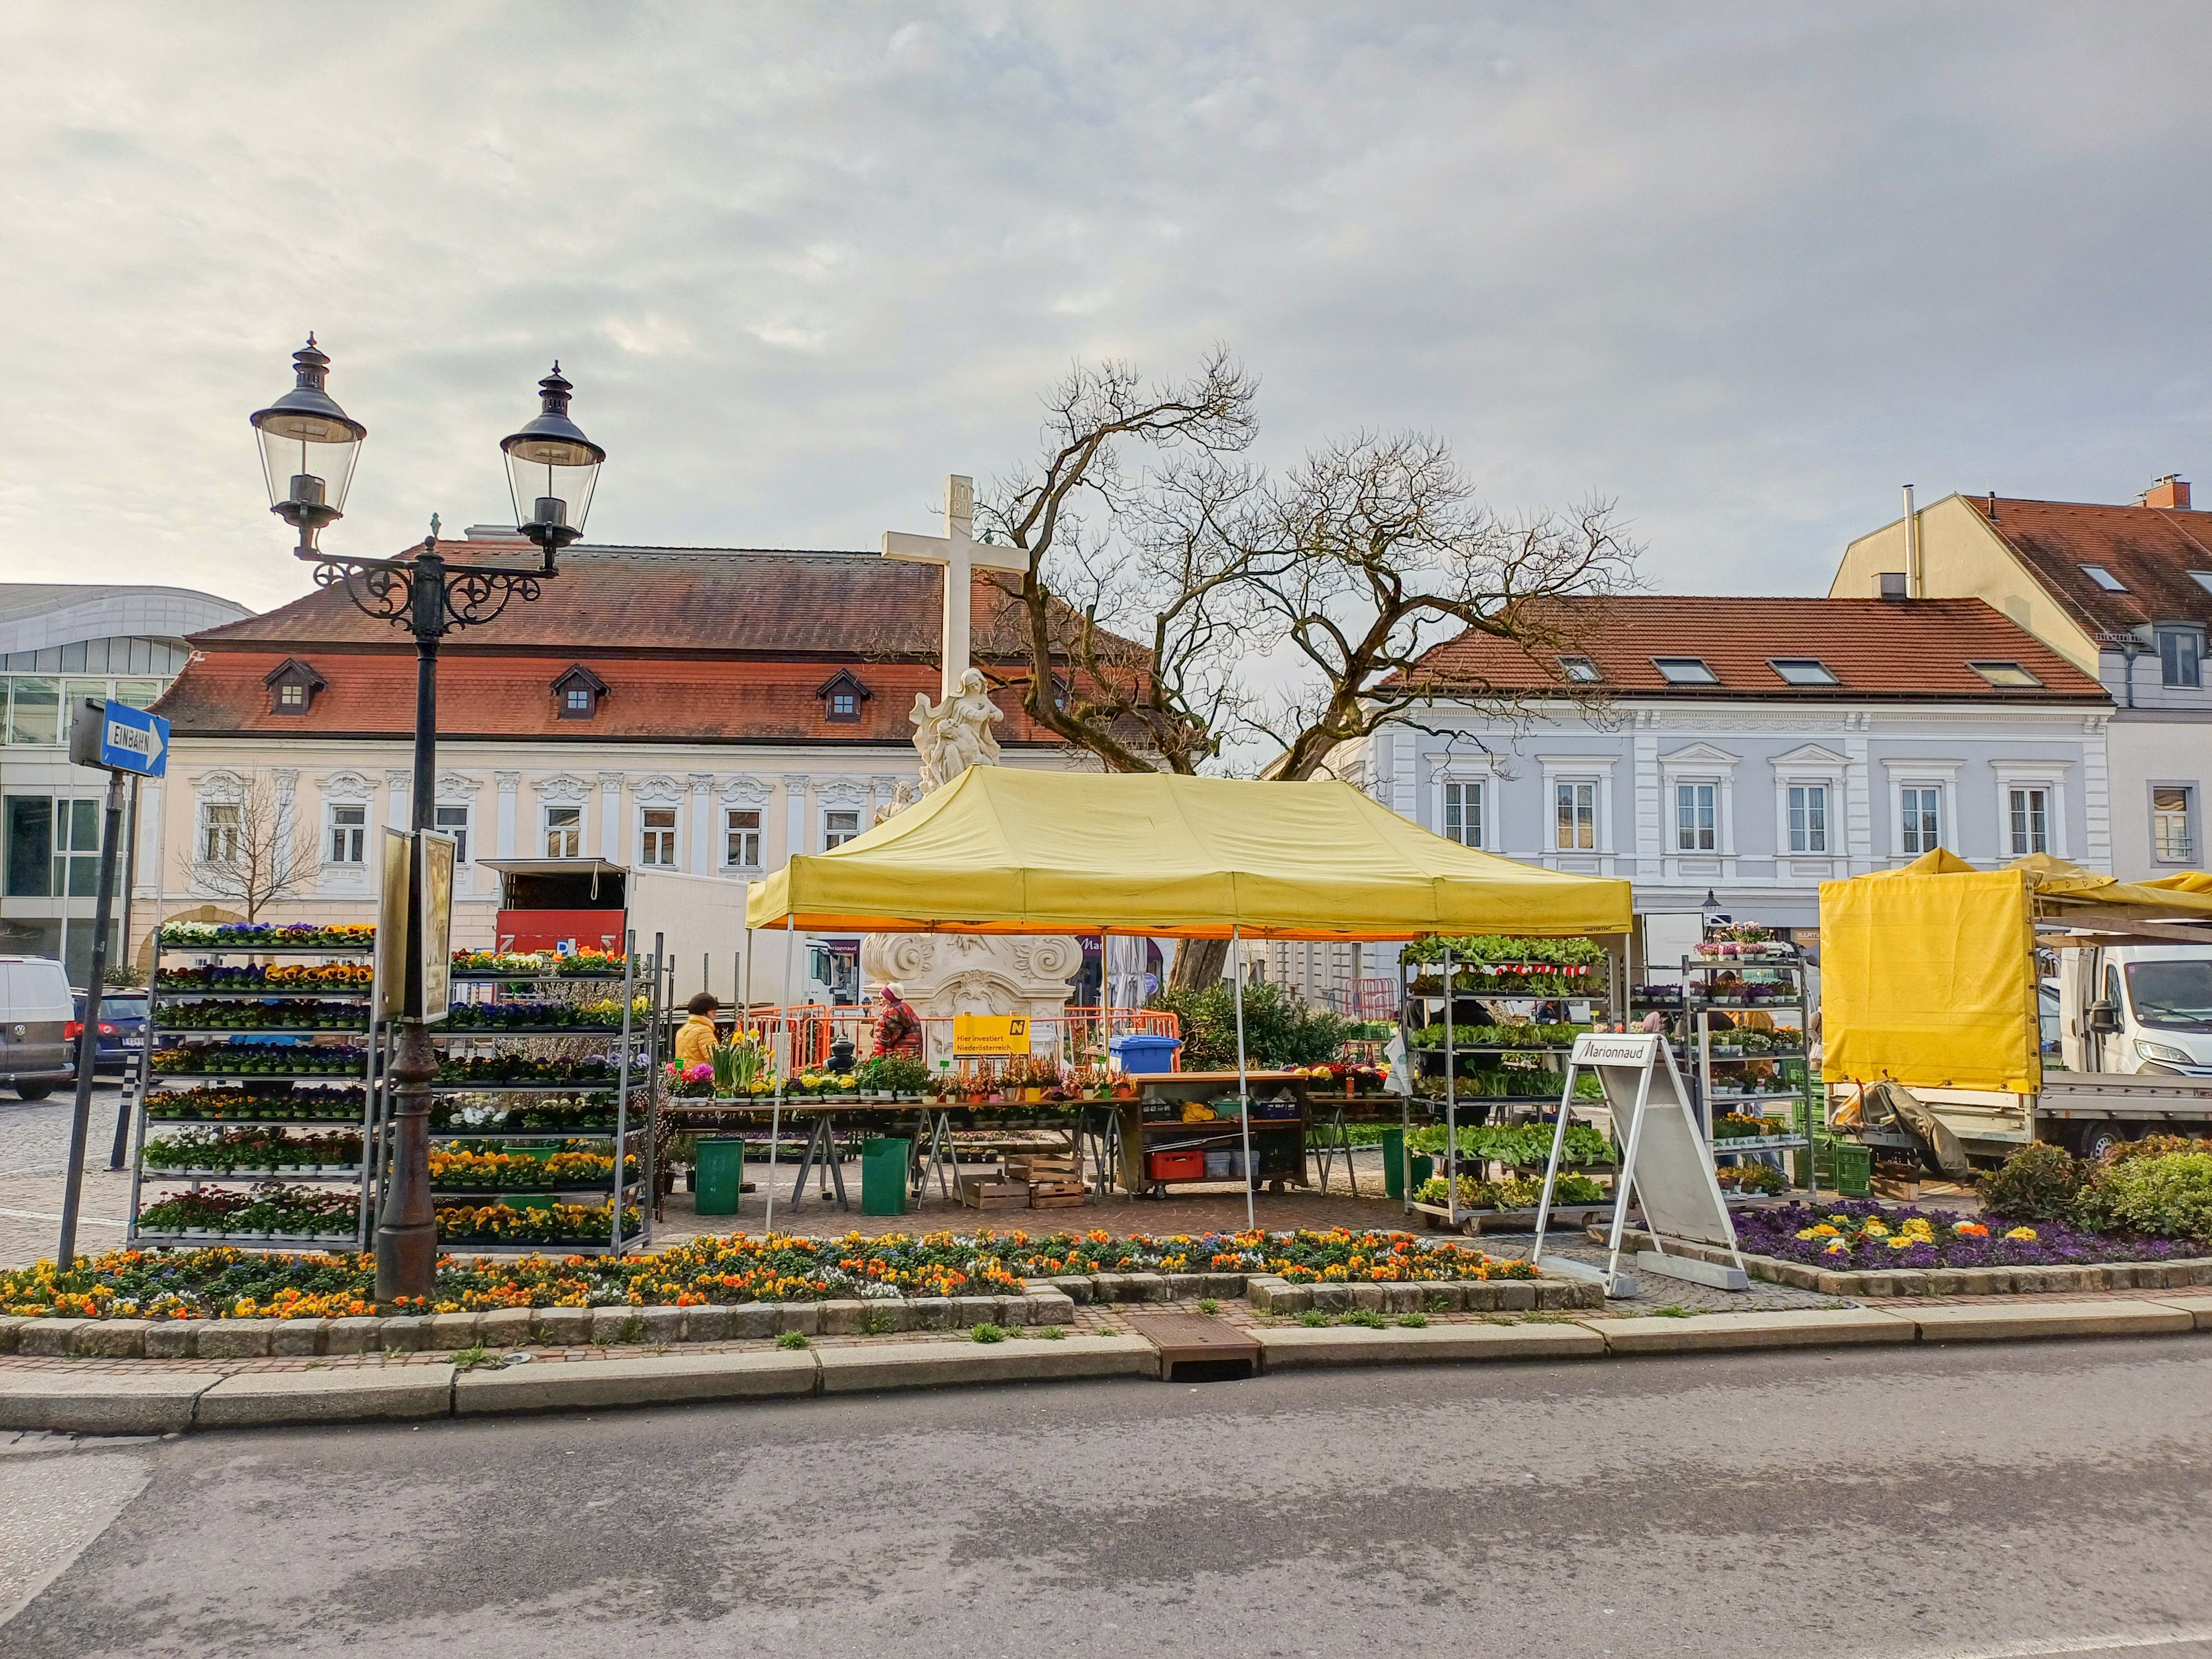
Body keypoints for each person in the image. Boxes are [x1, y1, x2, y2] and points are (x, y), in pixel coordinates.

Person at [675, 992, 719, 1065]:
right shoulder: (704, 1031)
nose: (716, 1015)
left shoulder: (682, 1030)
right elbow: (715, 1060)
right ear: (704, 1012)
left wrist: (680, 1075)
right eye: (713, 1012)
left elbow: (678, 1061)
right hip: (700, 1075)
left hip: (684, 1075)